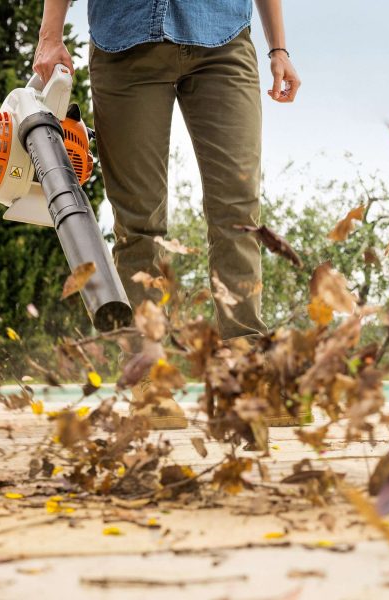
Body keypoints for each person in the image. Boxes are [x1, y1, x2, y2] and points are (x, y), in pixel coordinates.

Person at [34, 0, 301, 428]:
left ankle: (249, 366)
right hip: (124, 41)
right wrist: (50, 36)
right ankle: (149, 373)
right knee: (139, 220)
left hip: (222, 40)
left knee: (239, 210)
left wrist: (279, 49)